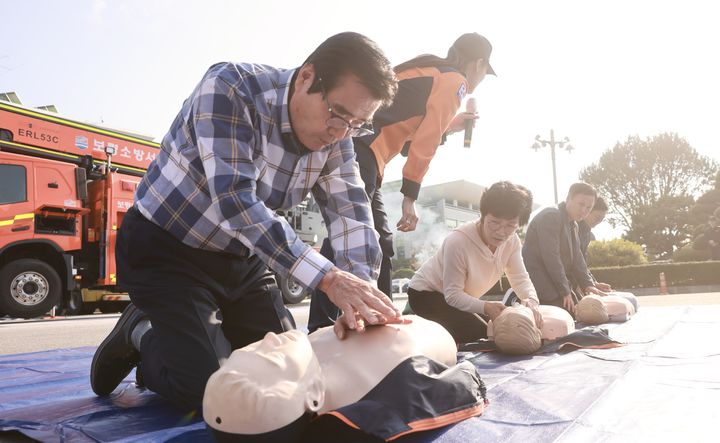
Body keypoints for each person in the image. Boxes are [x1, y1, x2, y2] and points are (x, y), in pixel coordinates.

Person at [90, 32, 404, 411]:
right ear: (307, 77)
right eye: (337, 113)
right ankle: (140, 333)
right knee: (216, 391)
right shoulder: (231, 88)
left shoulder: (339, 139)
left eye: (358, 124)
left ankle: (186, 341)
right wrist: (328, 278)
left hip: (242, 257)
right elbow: (236, 202)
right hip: (166, 249)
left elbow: (352, 213)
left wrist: (360, 297)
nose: (340, 132)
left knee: (290, 373)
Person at [308, 32, 496, 333]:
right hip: (360, 151)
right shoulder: (455, 81)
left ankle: (376, 319)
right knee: (350, 232)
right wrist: (410, 197)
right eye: (486, 71)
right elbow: (425, 143)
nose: (482, 77)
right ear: (479, 64)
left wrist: (452, 126)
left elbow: (408, 133)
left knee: (378, 240)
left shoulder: (432, 72)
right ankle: (322, 323)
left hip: (366, 153)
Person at [203, 316, 487, 442]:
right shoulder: (396, 386)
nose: (268, 337)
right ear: (313, 396)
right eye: (273, 355)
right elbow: (465, 382)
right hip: (429, 332)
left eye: (251, 349)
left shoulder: (303, 356)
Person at [406, 181, 543, 343]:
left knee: (494, 329)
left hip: (458, 299)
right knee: (486, 334)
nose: (501, 232)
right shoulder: (458, 241)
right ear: (483, 215)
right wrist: (486, 306)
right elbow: (453, 295)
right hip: (426, 295)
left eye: (510, 226)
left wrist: (532, 300)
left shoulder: (512, 242)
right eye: (495, 223)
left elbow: (520, 278)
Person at [522, 182, 607, 314]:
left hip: (555, 284)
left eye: (589, 207)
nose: (584, 210)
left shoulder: (573, 224)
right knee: (569, 314)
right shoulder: (551, 216)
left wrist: (588, 285)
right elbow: (551, 257)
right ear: (568, 199)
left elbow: (578, 259)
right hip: (539, 284)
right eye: (581, 204)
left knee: (590, 309)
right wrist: (565, 291)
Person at [577, 197, 639, 311]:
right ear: (587, 211)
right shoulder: (575, 230)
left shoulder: (587, 233)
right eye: (597, 217)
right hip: (572, 287)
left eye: (602, 219)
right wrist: (588, 286)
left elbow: (583, 264)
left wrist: (594, 283)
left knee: (631, 300)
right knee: (626, 302)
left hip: (583, 285)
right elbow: (576, 263)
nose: (598, 221)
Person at [488, 304, 575, 354]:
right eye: (524, 310)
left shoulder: (495, 324)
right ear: (537, 328)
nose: (518, 305)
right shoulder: (556, 321)